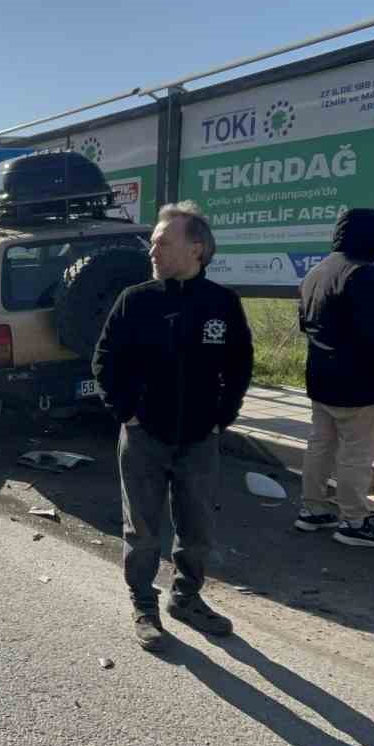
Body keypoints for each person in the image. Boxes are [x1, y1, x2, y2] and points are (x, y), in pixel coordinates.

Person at [92, 201, 253, 651]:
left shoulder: (222, 304)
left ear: (196, 248)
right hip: (144, 436)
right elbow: (105, 361)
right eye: (153, 243)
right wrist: (127, 412)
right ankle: (144, 604)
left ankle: (187, 598)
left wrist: (223, 417)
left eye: (163, 241)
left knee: (197, 527)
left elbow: (240, 365)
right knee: (142, 529)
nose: (153, 250)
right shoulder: (136, 301)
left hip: (200, 439)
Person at [295, 208, 374, 550]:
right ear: (369, 236)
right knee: (356, 456)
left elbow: (306, 324)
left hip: (321, 379)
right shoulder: (364, 275)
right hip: (359, 384)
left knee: (320, 447)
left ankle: (313, 509)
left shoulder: (315, 273)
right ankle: (353, 521)